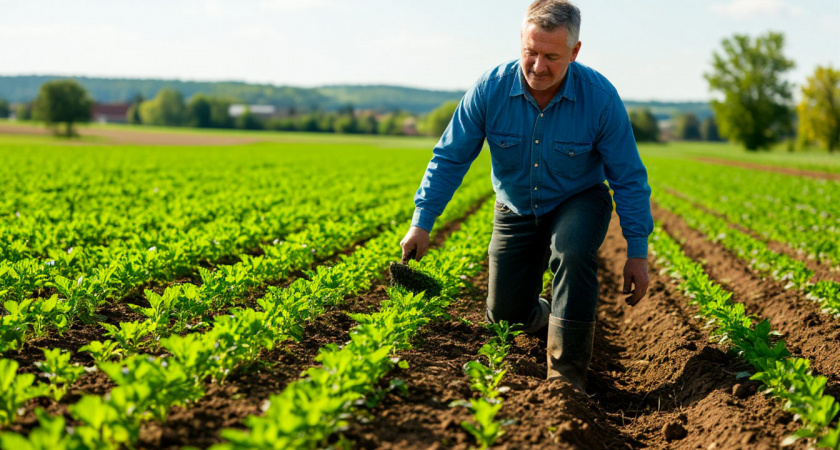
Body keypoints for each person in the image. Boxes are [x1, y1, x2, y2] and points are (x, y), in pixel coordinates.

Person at [399, 0, 653, 393]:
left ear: (575, 51)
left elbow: (629, 177)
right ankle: (546, 315)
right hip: (515, 205)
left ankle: (566, 378)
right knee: (505, 317)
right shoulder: (490, 90)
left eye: (551, 57)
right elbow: (450, 157)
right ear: (520, 42)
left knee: (572, 249)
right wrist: (422, 222)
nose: (538, 66)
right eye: (530, 52)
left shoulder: (600, 99)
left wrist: (637, 251)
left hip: (578, 198)